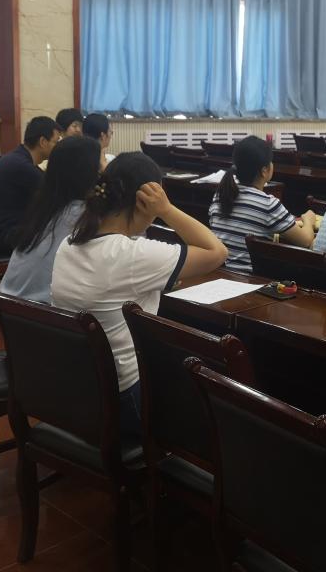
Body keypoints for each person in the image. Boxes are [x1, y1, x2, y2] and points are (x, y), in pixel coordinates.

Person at [51, 152, 227, 443]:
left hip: (80, 391)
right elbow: (217, 252)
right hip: (126, 400)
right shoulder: (131, 255)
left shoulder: (69, 244)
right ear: (145, 201)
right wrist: (168, 210)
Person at [0, 136, 101, 303]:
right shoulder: (83, 216)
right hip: (41, 312)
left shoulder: (45, 208)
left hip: (7, 305)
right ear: (91, 173)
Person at [209, 136, 315, 272]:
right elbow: (305, 241)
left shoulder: (221, 195)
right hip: (250, 278)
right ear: (264, 170)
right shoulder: (268, 204)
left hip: (221, 272)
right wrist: (308, 220)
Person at [0, 116, 60, 256]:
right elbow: (56, 197)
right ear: (43, 142)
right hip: (1, 238)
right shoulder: (23, 167)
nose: (58, 148)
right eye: (56, 142)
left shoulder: (16, 158)